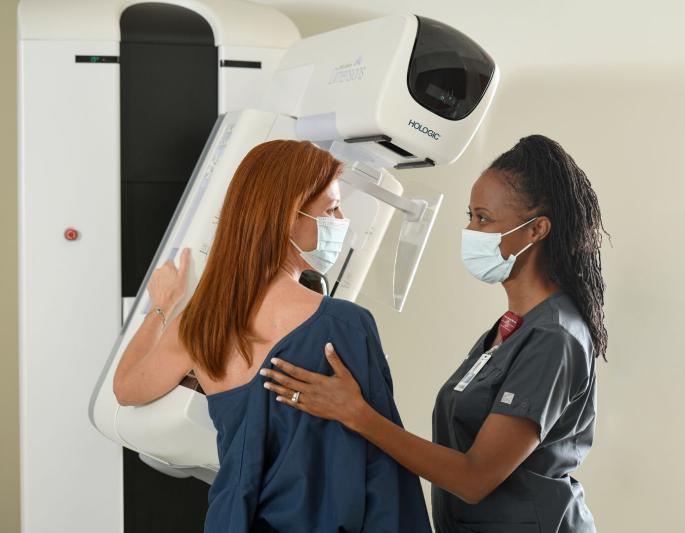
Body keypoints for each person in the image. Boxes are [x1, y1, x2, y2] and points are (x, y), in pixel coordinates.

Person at [262, 135, 607, 532]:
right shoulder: (512, 328)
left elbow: (474, 479)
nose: (470, 230)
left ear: (536, 230)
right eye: (470, 216)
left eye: (483, 219)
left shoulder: (554, 338)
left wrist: (355, 413)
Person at [112, 140, 432, 533]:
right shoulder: (345, 326)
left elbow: (125, 388)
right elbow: (384, 474)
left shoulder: (199, 324)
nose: (341, 217)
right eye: (331, 209)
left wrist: (162, 307)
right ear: (287, 218)